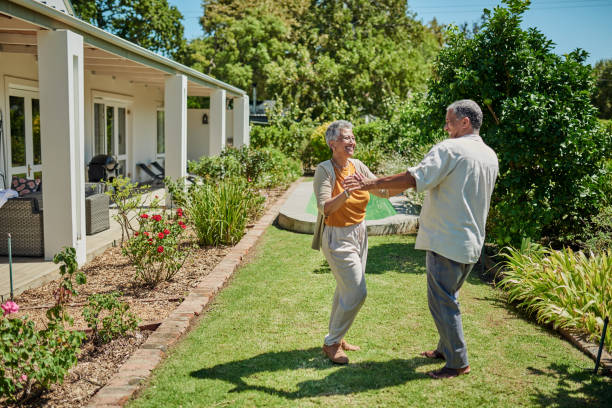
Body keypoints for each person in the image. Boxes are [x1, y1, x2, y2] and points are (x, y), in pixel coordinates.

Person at [343, 99, 499, 378]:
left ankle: (457, 362)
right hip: (471, 241)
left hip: (447, 240)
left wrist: (368, 183)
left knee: (442, 301)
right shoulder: (489, 155)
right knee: (449, 297)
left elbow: (413, 178)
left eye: (449, 121)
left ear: (465, 122)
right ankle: (445, 348)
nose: (445, 127)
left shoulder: (450, 149)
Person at [312, 120, 400, 365]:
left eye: (352, 138)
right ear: (332, 144)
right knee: (357, 291)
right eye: (345, 138)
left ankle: (337, 338)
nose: (352, 142)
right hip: (337, 236)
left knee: (345, 289)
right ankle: (331, 343)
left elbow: (380, 190)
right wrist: (347, 192)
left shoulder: (358, 166)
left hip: (359, 233)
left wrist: (409, 182)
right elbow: (324, 208)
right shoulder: (324, 170)